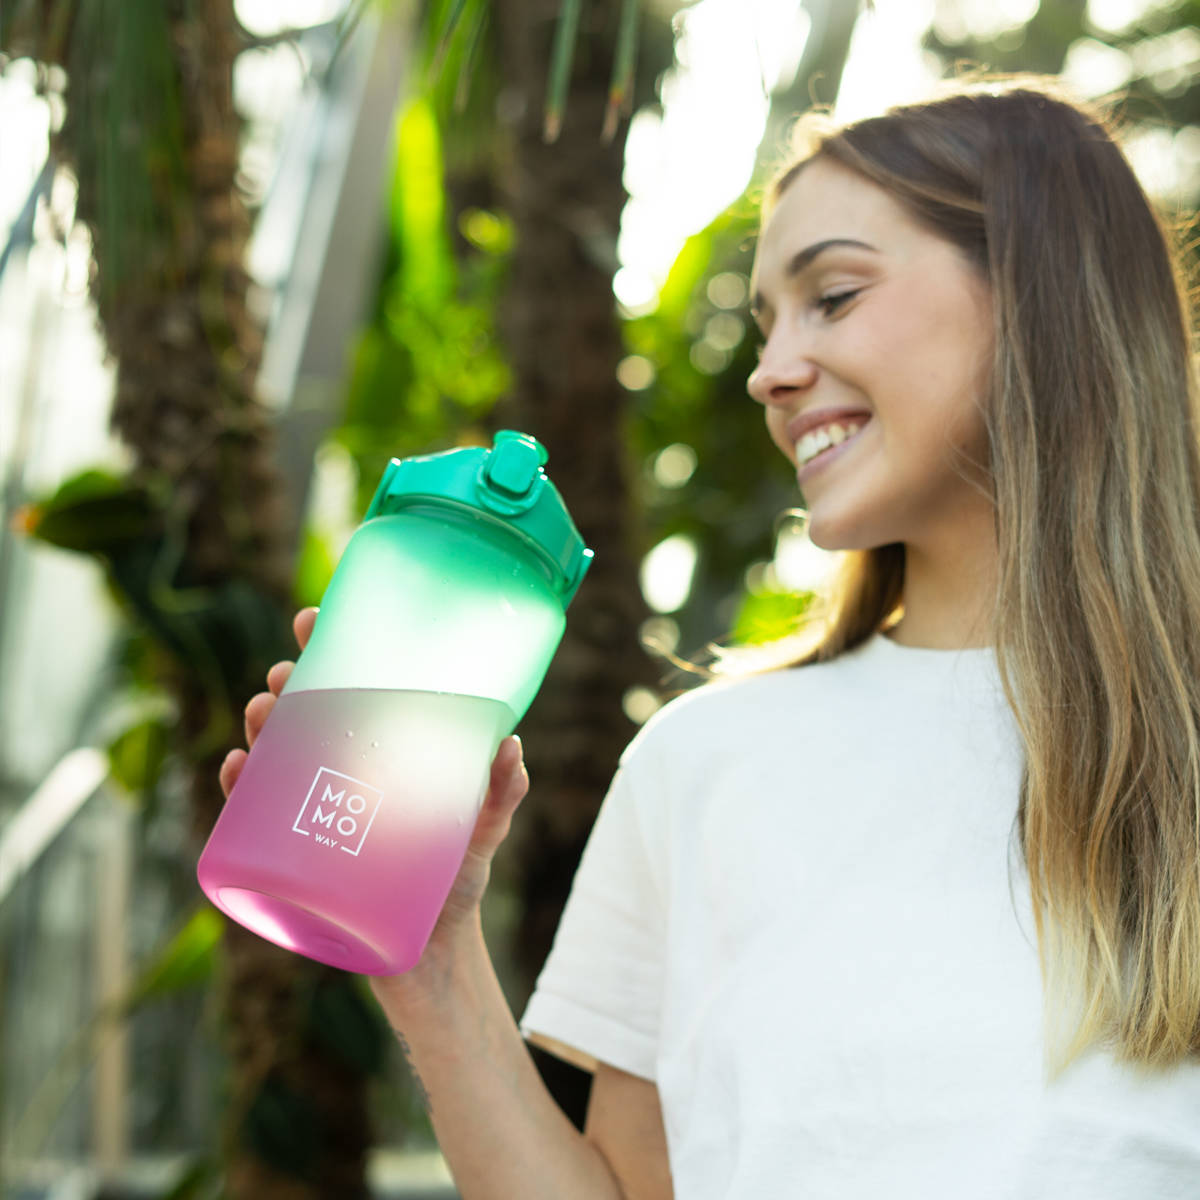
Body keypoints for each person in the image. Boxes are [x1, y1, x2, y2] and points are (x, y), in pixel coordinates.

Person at [220, 75, 1200, 1198]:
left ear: (1041, 295)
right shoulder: (704, 763)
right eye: (765, 322)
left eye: (831, 296)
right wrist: (434, 962)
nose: (770, 371)